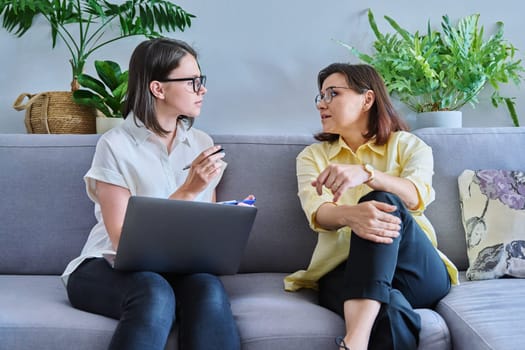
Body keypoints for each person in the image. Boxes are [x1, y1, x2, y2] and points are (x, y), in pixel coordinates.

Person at [61, 37, 247, 350]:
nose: (202, 90)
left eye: (201, 80)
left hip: (178, 268)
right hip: (106, 266)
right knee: (154, 292)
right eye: (192, 82)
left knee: (209, 289)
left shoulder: (202, 142)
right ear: (158, 89)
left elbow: (206, 228)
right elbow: (123, 240)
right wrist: (189, 190)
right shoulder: (115, 145)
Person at [284, 63, 459, 350]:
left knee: (381, 201)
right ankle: (360, 336)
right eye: (320, 96)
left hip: (414, 271)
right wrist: (352, 217)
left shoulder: (409, 146)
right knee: (390, 311)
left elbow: (416, 197)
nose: (321, 104)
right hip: (345, 270)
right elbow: (318, 214)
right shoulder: (312, 157)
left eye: (332, 94)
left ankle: (354, 341)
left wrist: (368, 175)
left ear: (367, 99)